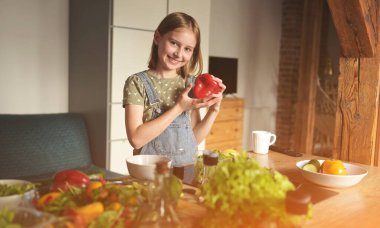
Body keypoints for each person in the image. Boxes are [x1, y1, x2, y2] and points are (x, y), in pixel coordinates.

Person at [122, 12, 225, 182]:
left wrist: (213, 110)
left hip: (186, 174)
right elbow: (136, 139)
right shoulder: (137, 82)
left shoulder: (190, 84)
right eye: (174, 43)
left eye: (187, 49)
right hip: (151, 177)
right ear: (157, 37)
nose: (179, 54)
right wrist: (179, 108)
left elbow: (194, 140)